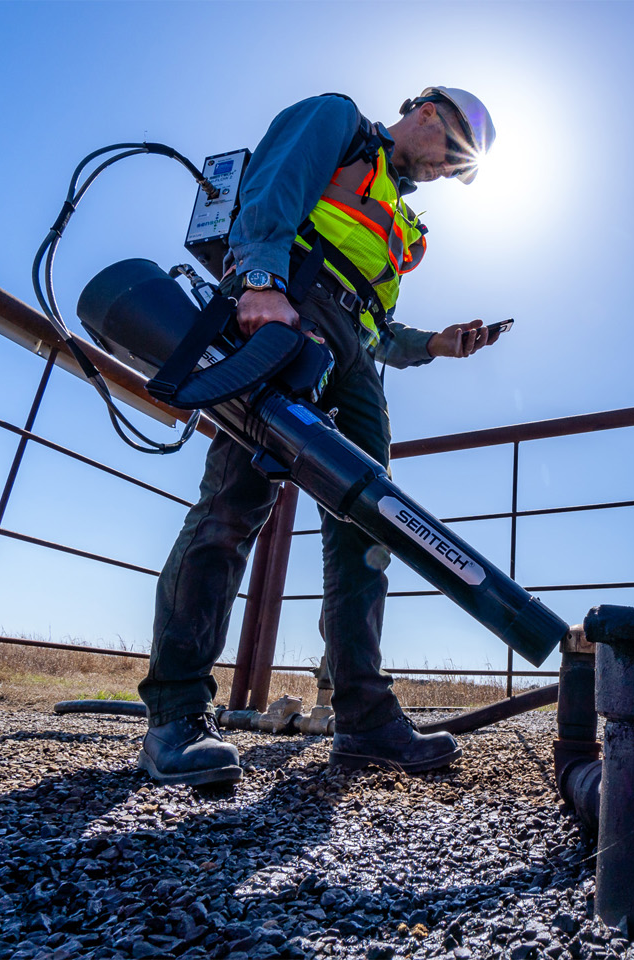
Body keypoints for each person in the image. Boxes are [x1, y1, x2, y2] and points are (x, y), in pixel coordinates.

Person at [137, 87, 500, 786]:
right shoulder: (339, 123)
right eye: (454, 155)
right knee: (234, 504)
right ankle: (176, 715)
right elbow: (272, 191)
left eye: (461, 171)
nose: (449, 174)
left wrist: (438, 345)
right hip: (293, 313)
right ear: (429, 112)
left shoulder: (404, 226)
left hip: (358, 362)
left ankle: (363, 718)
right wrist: (262, 282)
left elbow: (383, 330)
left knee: (372, 531)